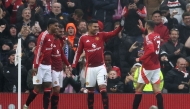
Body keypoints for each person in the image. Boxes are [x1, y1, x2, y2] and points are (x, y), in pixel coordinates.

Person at [72, 17, 125, 109]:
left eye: (97, 27)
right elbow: (78, 53)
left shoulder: (101, 35)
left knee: (103, 89)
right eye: (95, 27)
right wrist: (73, 65)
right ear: (89, 27)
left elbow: (114, 33)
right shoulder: (83, 38)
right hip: (90, 68)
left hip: (101, 67)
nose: (97, 28)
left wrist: (121, 26)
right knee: (90, 91)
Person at [23, 18, 59, 109]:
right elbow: (38, 50)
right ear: (50, 26)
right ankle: (26, 105)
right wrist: (35, 65)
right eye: (55, 25)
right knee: (37, 89)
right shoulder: (43, 35)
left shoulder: (53, 36)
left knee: (48, 87)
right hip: (39, 65)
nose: (57, 27)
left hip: (48, 66)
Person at [132, 20, 164, 109]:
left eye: (145, 26)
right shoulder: (157, 35)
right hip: (156, 65)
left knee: (138, 89)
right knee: (157, 90)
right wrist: (142, 29)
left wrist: (140, 58)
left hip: (148, 66)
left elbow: (150, 50)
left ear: (148, 27)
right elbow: (150, 37)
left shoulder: (147, 38)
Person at [50, 24, 71, 109]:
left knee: (58, 90)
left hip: (59, 69)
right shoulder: (50, 40)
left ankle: (54, 106)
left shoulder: (59, 41)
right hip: (52, 69)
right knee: (56, 89)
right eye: (60, 31)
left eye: (63, 32)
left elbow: (61, 54)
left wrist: (68, 64)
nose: (62, 33)